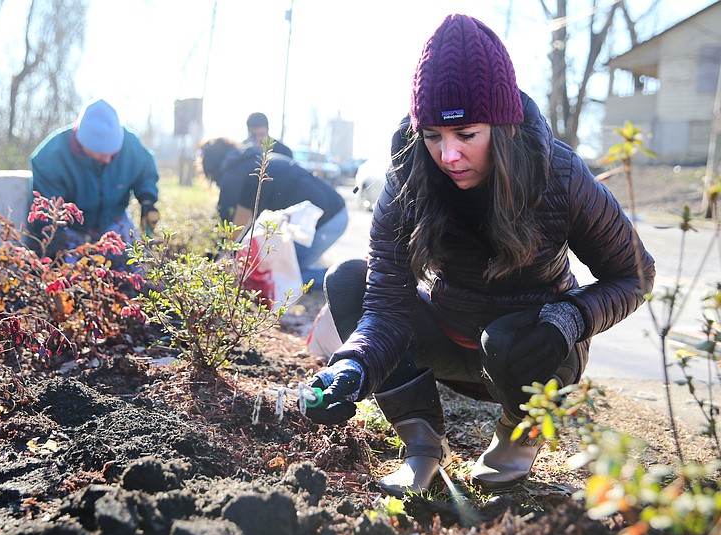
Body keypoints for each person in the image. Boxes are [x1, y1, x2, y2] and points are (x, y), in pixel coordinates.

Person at [302, 14, 656, 496]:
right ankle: (422, 447)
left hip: (535, 352)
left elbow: (635, 275)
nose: (447, 156)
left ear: (503, 127)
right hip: (451, 339)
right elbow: (386, 306)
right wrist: (351, 367)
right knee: (348, 280)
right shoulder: (406, 179)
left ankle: (516, 436)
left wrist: (568, 321)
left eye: (466, 134)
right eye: (432, 136)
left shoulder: (562, 176)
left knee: (506, 337)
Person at [26, 98, 160, 266]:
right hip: (70, 228)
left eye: (113, 152)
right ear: (83, 144)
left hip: (114, 218)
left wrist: (148, 201)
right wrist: (54, 250)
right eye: (101, 154)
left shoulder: (130, 145)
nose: (109, 159)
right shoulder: (51, 158)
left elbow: (145, 172)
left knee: (135, 266)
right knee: (70, 274)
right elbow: (47, 213)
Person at [199, 137, 348, 284]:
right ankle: (346, 277)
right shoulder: (251, 160)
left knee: (284, 275)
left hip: (329, 217)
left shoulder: (232, 175)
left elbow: (223, 223)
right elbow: (243, 224)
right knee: (281, 270)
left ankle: (349, 280)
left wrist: (208, 262)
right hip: (334, 208)